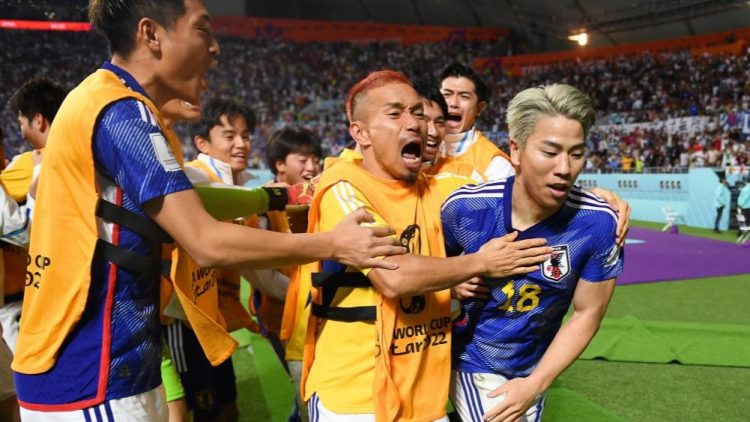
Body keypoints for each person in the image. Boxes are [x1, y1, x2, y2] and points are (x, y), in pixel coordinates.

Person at [12, 1, 404, 419]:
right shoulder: (120, 111)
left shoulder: (106, 100)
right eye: (202, 29)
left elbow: (187, 201)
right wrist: (334, 244)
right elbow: (205, 241)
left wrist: (274, 198)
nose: (215, 47)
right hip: (91, 368)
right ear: (151, 34)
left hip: (95, 362)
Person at [300, 70, 552, 421]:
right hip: (354, 397)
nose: (415, 124)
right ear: (361, 133)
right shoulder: (343, 187)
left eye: (418, 113)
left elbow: (523, 196)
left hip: (423, 399)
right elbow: (394, 276)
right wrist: (479, 263)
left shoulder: (443, 187)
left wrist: (596, 199)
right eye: (395, 114)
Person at [441, 84, 624, 422]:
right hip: (467, 356)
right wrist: (451, 282)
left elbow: (588, 313)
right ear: (516, 149)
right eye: (550, 152)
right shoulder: (465, 209)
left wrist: (536, 383)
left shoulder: (598, 223)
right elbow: (428, 269)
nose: (564, 167)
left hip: (532, 368)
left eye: (576, 153)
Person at [258, 126, 323, 422]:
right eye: (303, 159)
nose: (312, 167)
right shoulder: (263, 202)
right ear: (279, 164)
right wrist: (305, 293)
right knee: (304, 388)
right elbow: (260, 272)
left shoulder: (315, 197)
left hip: (314, 311)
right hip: (283, 315)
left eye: (315, 159)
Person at [439, 62, 513, 182]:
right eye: (447, 94)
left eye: (464, 97)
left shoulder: (496, 166)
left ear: (479, 108)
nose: (453, 103)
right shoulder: (419, 150)